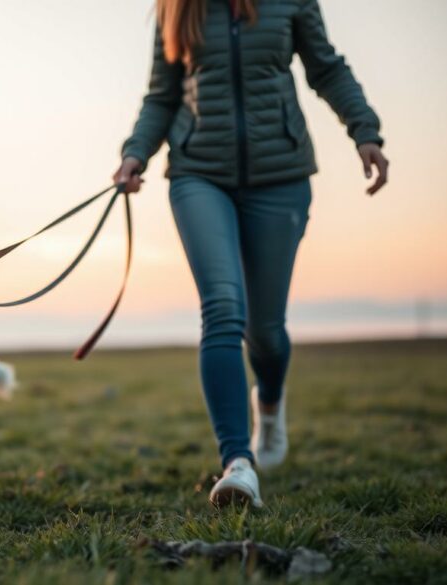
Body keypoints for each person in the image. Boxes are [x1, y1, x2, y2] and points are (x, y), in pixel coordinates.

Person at [114, 0, 388, 507]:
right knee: (222, 308)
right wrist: (136, 152)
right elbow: (162, 95)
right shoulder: (175, 9)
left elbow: (326, 68)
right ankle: (238, 463)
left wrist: (364, 130)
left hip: (281, 177)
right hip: (199, 175)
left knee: (265, 329)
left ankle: (270, 401)